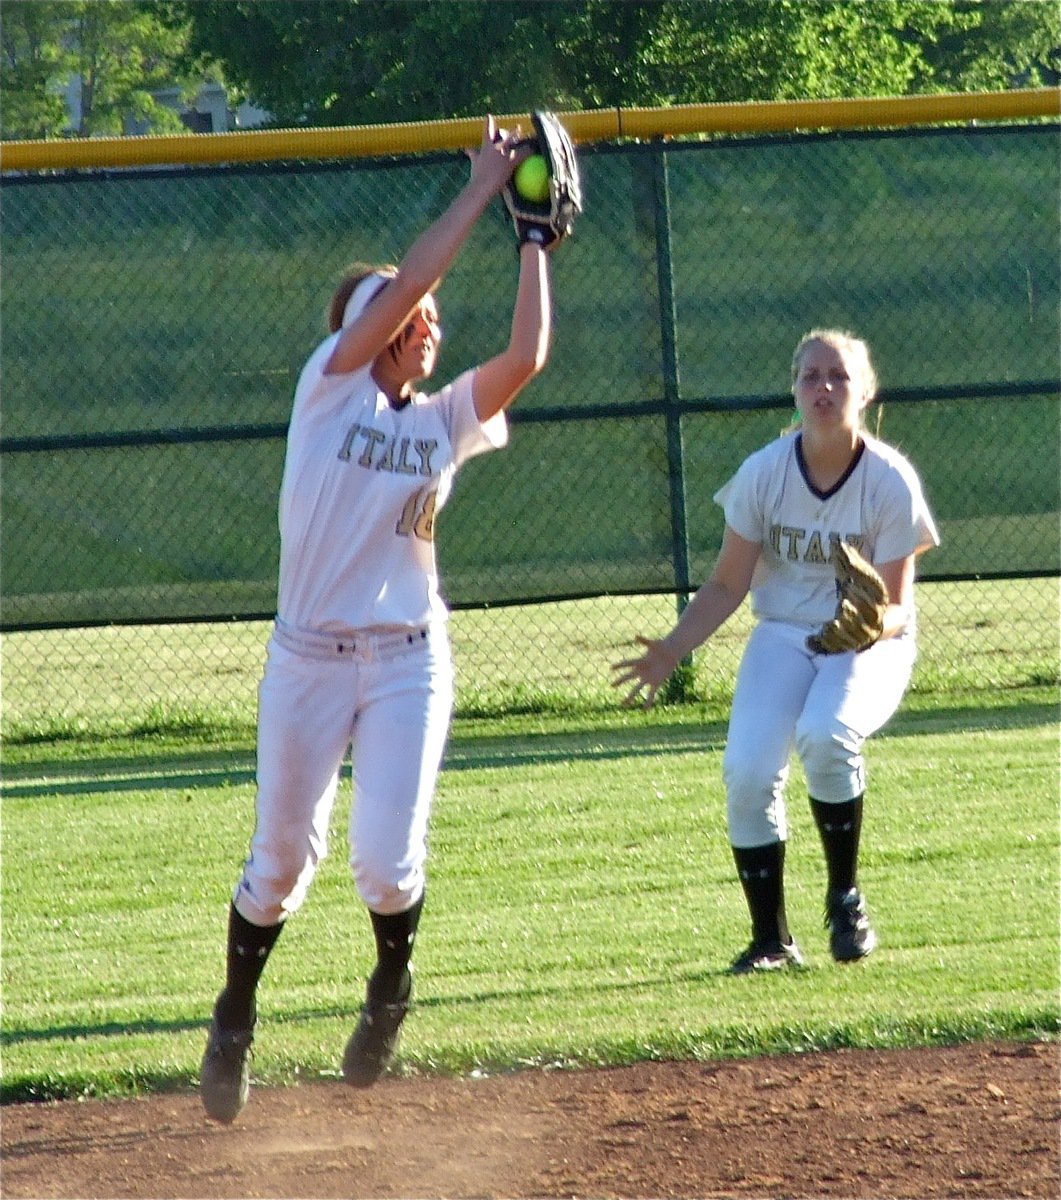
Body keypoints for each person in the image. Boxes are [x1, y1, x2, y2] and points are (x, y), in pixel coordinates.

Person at [200, 116, 555, 1123]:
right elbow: (398, 286)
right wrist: (484, 186)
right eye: (398, 305)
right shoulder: (329, 390)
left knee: (384, 862)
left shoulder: (441, 419)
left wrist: (534, 241)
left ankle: (389, 990)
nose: (420, 315)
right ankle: (234, 1013)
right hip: (308, 659)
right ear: (354, 329)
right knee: (277, 865)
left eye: (429, 308)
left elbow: (526, 353)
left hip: (406, 657)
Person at [612, 329, 939, 973]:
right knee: (748, 771)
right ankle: (772, 941)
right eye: (811, 376)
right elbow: (730, 581)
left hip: (867, 642)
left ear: (865, 392)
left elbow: (898, 604)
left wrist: (871, 623)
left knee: (826, 731)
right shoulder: (765, 471)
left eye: (839, 377)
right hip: (785, 633)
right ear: (793, 387)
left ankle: (845, 898)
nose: (823, 388)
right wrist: (673, 648)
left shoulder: (888, 480)